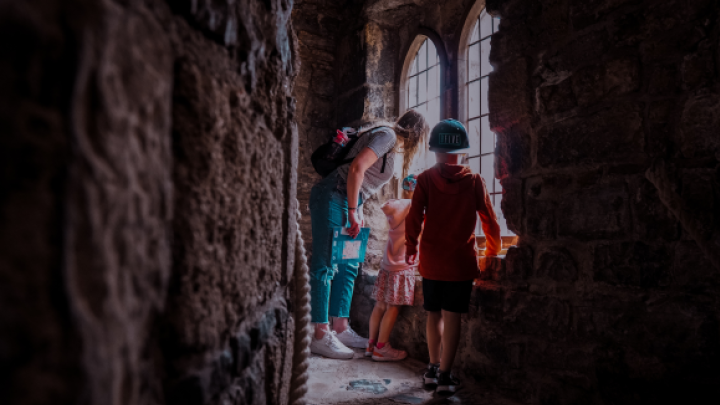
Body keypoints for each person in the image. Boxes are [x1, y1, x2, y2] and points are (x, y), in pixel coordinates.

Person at [309, 110, 429, 359]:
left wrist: (358, 210)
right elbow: (356, 169)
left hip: (350, 199)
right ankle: (319, 334)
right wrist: (353, 210)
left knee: (349, 264)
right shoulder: (388, 136)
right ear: (417, 134)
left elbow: (362, 182)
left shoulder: (391, 145)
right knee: (326, 265)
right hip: (333, 194)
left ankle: (340, 329)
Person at [405, 119, 501, 393]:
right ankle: (446, 377)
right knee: (454, 318)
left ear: (434, 149)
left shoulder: (424, 180)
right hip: (460, 264)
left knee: (433, 315)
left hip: (432, 262)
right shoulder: (474, 180)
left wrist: (411, 248)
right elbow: (490, 221)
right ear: (464, 150)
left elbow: (414, 218)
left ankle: (432, 370)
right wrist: (493, 251)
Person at [365, 175, 419, 362]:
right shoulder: (415, 211)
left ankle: (371, 344)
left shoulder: (394, 209)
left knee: (380, 305)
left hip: (386, 265)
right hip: (402, 266)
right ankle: (382, 348)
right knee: (393, 307)